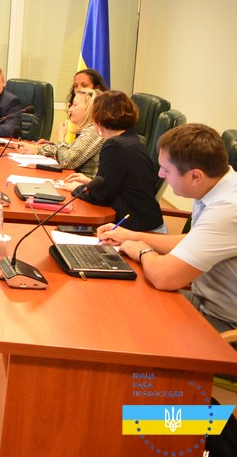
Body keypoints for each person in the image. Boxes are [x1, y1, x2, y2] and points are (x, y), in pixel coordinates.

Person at [97, 123, 237, 336]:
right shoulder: (216, 186)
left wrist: (143, 251)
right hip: (204, 301)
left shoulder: (228, 209)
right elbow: (193, 240)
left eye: (166, 169)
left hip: (224, 323)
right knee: (120, 302)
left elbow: (164, 277)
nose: (160, 174)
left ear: (195, 176)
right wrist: (130, 235)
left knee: (126, 327)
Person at [65, 90, 164, 232]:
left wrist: (78, 189)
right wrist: (90, 182)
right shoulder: (132, 139)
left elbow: (101, 196)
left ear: (98, 118)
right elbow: (118, 183)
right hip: (148, 223)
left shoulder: (114, 145)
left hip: (139, 231)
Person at [18, 88, 103, 177]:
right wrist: (36, 149)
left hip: (85, 184)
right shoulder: (89, 130)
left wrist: (61, 138)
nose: (70, 109)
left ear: (89, 109)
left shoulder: (94, 131)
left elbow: (67, 161)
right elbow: (66, 150)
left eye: (75, 105)